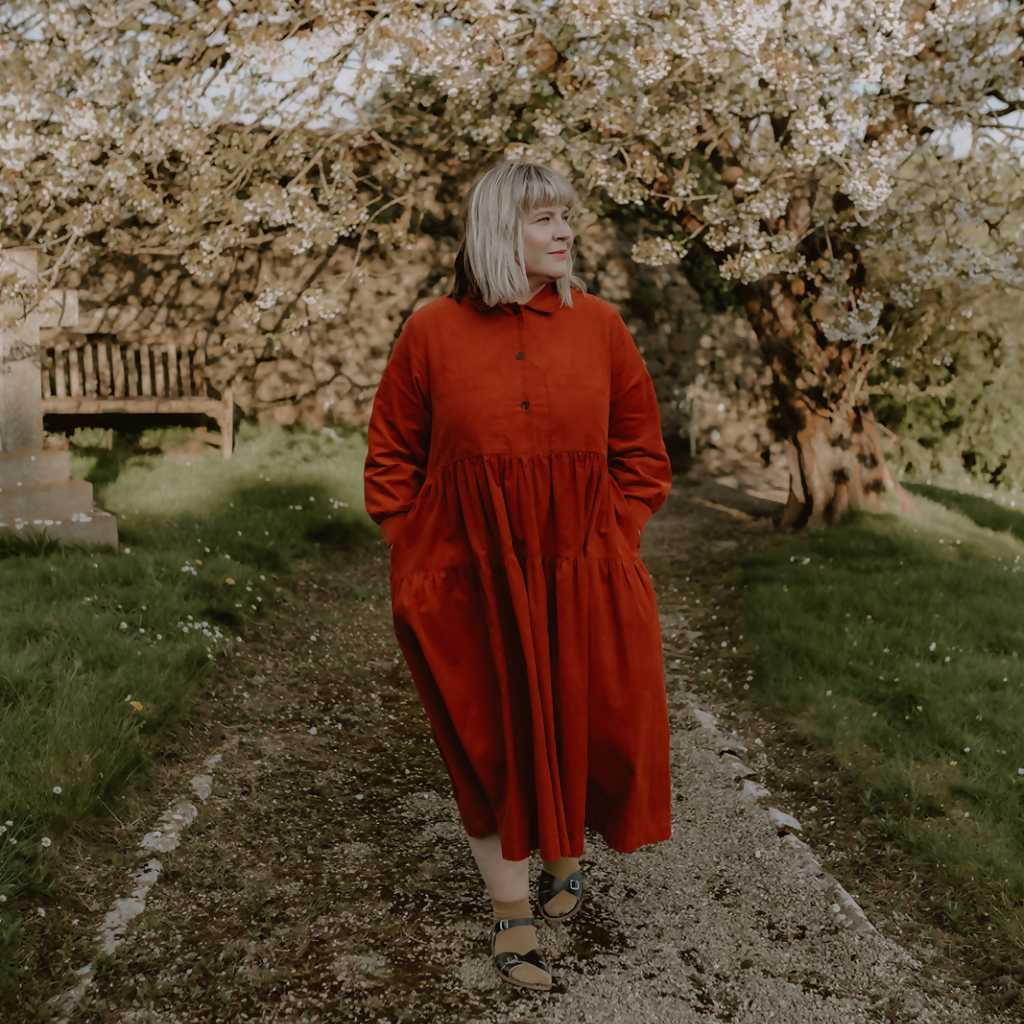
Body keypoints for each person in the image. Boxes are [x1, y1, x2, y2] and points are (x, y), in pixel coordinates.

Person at [363, 160, 673, 991]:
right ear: (499, 230)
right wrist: (416, 548)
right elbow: (391, 457)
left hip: (587, 568)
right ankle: (513, 916)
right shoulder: (430, 330)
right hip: (472, 578)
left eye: (567, 217)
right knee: (490, 738)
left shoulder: (602, 325)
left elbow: (643, 456)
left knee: (589, 718)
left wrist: (617, 537)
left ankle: (567, 854)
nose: (566, 232)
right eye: (544, 220)